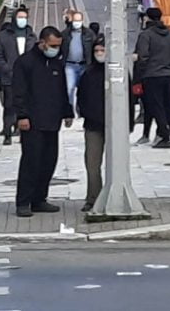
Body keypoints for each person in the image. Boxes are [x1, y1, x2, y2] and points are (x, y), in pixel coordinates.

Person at [12, 26, 74, 218]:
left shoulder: (56, 63)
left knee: (49, 161)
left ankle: (40, 199)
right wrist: (22, 116)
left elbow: (62, 88)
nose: (56, 49)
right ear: (42, 43)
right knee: (31, 162)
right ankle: (23, 202)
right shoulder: (25, 63)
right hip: (32, 121)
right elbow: (19, 91)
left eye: (58, 46)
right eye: (53, 45)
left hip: (52, 120)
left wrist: (67, 111)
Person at [136, 8, 170, 149]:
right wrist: (169, 65)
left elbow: (142, 56)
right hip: (168, 74)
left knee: (157, 106)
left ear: (147, 18)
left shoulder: (146, 35)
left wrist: (144, 71)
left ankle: (164, 136)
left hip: (152, 75)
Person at [0, 8, 37, 146]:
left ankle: (23, 133)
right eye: (20, 17)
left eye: (25, 17)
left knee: (27, 107)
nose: (22, 20)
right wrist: (7, 69)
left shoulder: (31, 35)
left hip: (28, 78)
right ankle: (7, 133)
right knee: (9, 106)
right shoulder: (3, 36)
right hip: (9, 77)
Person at [77, 39, 107, 212]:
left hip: (114, 126)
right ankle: (93, 198)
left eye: (103, 49)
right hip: (93, 126)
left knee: (116, 163)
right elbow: (81, 97)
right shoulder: (88, 74)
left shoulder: (118, 72)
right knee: (92, 163)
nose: (100, 53)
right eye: (97, 50)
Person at [61, 11, 94, 111]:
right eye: (75, 20)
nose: (77, 22)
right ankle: (70, 110)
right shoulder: (65, 34)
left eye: (79, 20)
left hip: (84, 65)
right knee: (69, 88)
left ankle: (82, 109)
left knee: (84, 89)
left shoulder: (89, 34)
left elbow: (94, 47)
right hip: (69, 65)